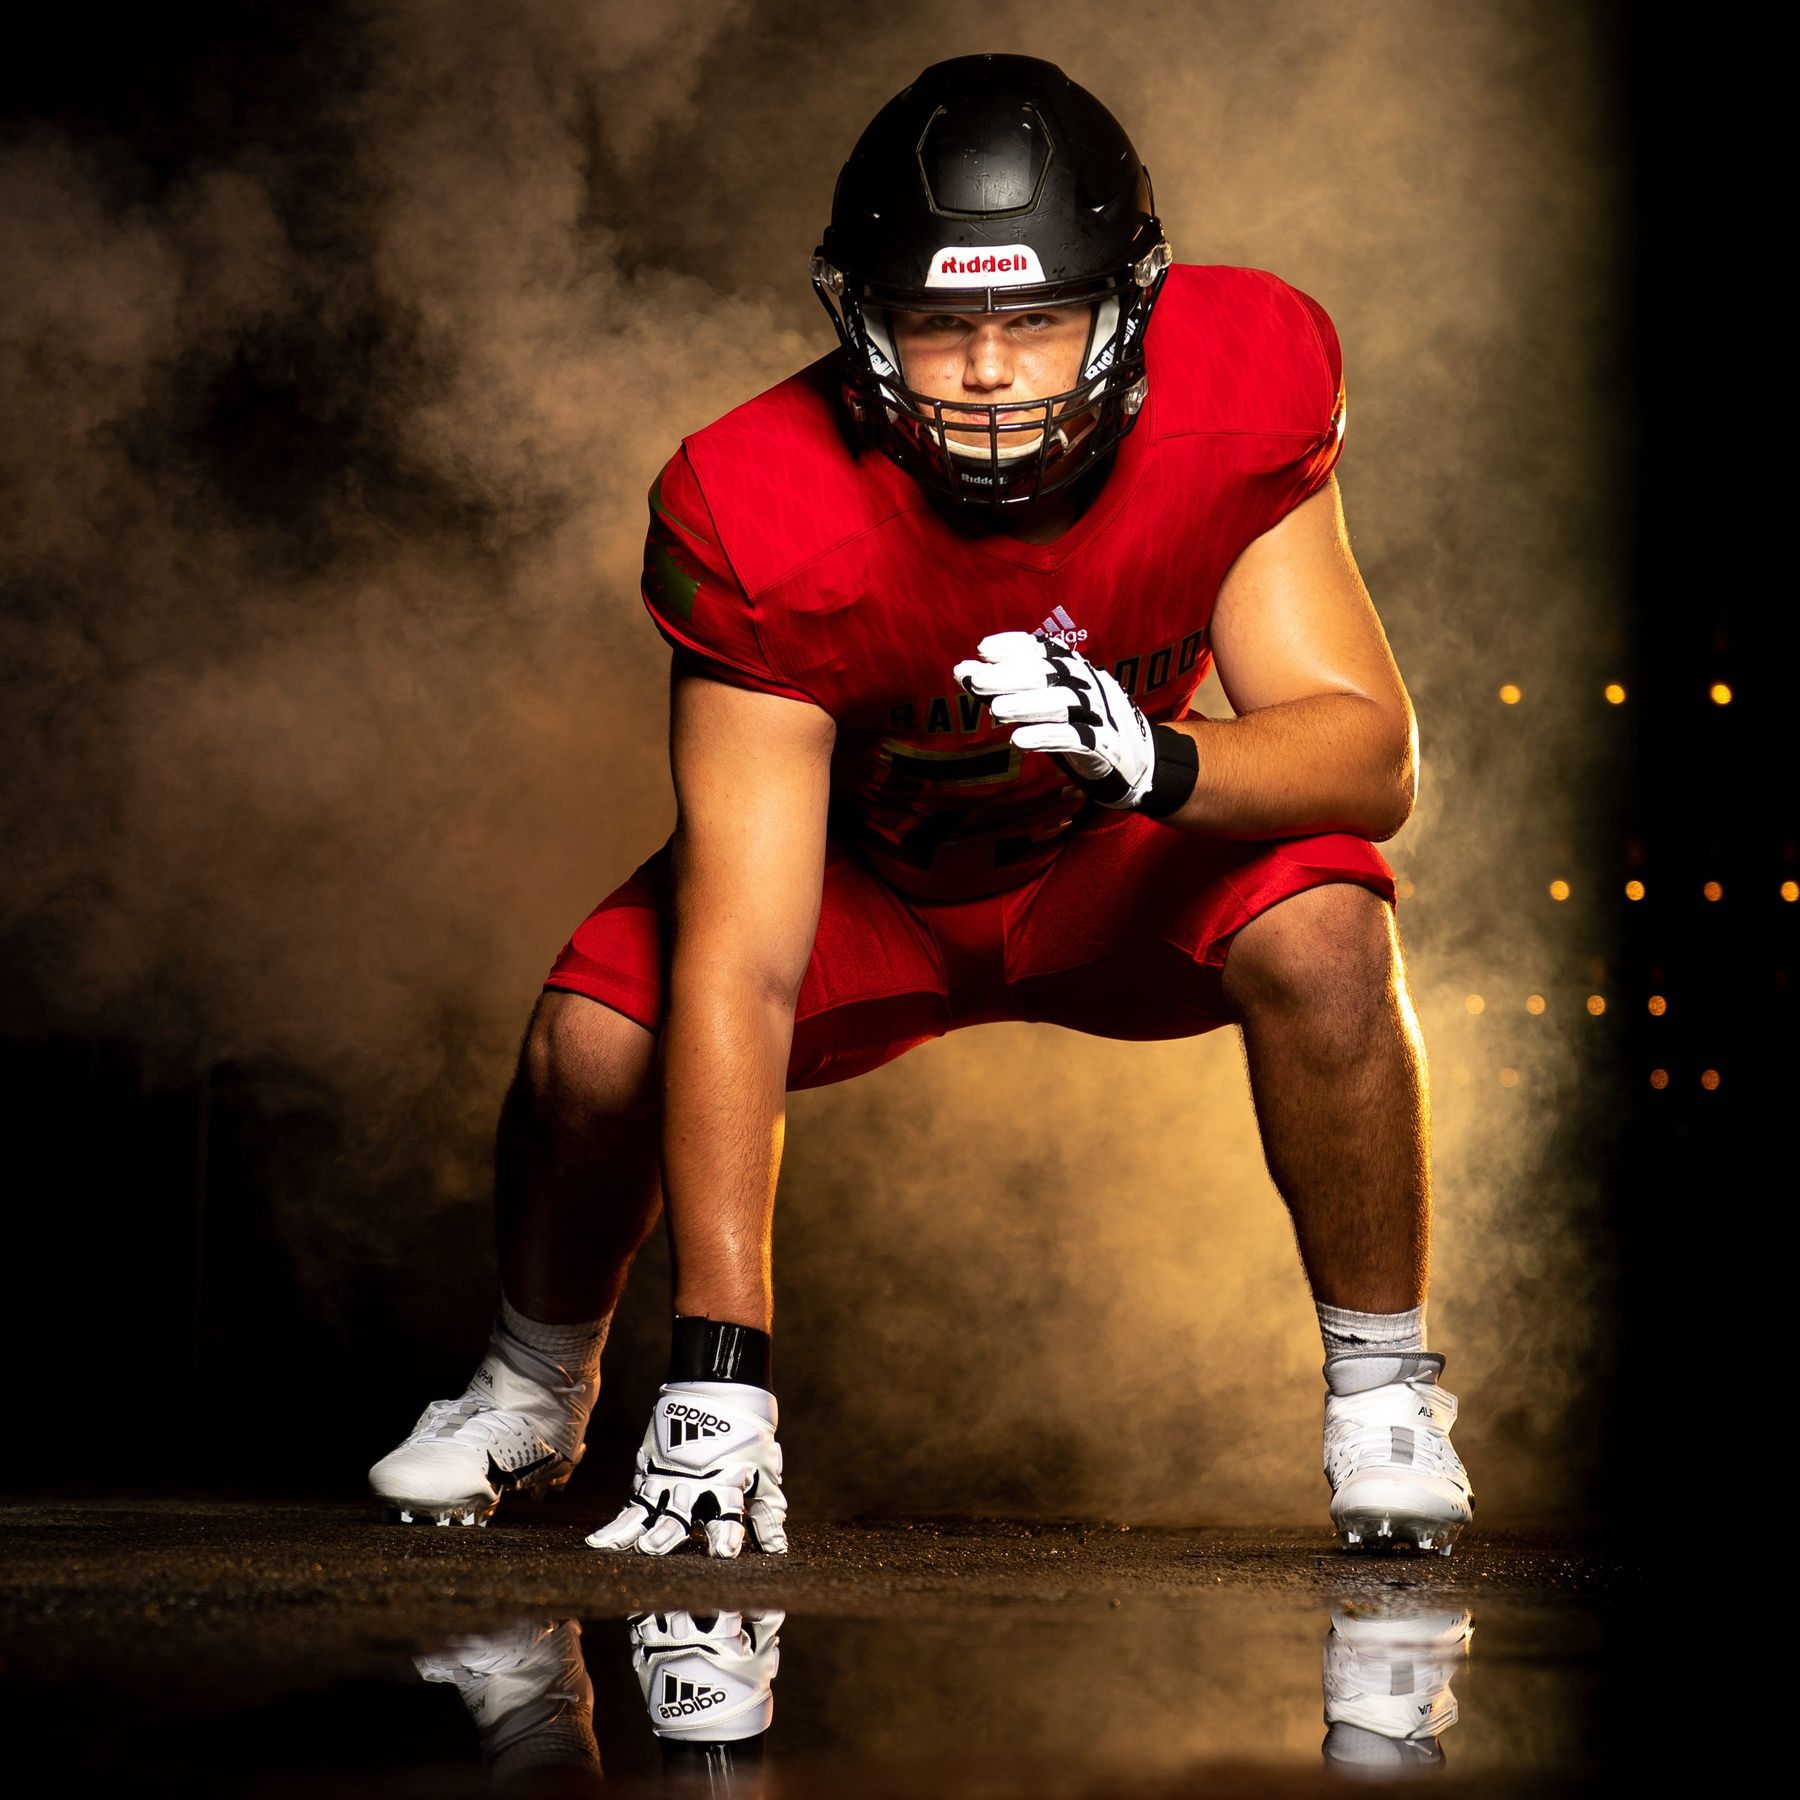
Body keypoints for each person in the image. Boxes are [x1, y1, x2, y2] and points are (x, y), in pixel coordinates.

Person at [368, 53, 1474, 1558]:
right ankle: (533, 1382)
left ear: (1130, 309)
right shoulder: (754, 504)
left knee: (1331, 918)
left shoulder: (1242, 387)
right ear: (862, 320)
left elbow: (1370, 761)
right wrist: (720, 1372)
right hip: (871, 893)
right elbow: (746, 959)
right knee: (589, 1043)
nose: (991, 372)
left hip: (1108, 869)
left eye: (1037, 319)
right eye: (941, 324)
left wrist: (1162, 760)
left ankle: (1386, 1391)